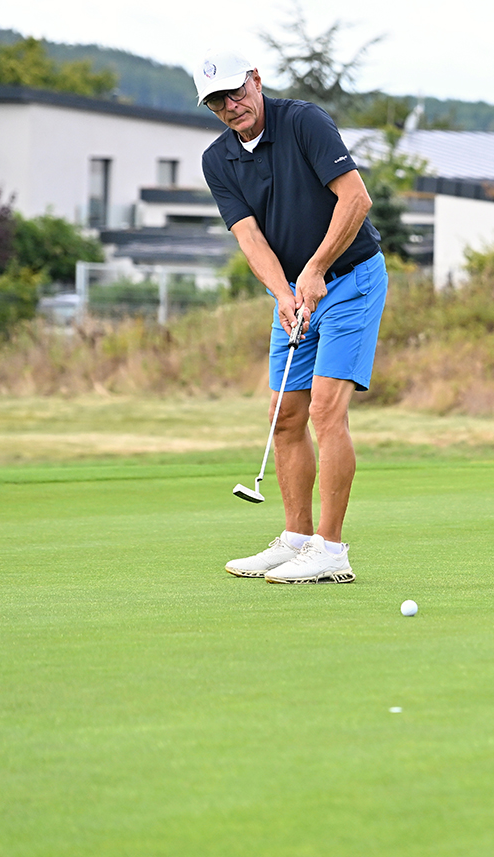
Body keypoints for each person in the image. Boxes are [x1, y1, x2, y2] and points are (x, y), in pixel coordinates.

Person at [194, 49, 388, 584]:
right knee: (285, 415)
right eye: (216, 102)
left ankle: (331, 549)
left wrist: (316, 269)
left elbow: (356, 199)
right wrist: (283, 292)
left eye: (236, 92)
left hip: (351, 280)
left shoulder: (304, 122)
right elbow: (248, 236)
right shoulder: (217, 159)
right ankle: (297, 540)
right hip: (295, 296)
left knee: (325, 411)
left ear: (256, 80)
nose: (230, 106)